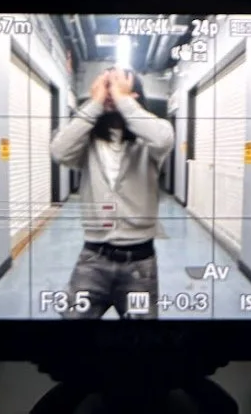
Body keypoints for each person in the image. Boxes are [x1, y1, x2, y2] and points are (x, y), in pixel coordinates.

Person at [49, 67, 175, 320]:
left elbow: (163, 139)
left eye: (117, 86)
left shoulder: (147, 142)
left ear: (134, 94)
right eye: (105, 86)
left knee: (143, 345)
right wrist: (94, 103)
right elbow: (59, 151)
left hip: (140, 262)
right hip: (94, 256)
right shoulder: (87, 141)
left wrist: (123, 100)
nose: (110, 93)